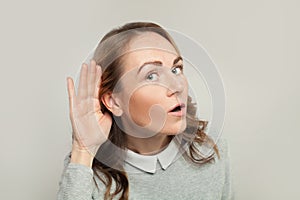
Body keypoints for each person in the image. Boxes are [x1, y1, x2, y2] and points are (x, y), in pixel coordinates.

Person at [57, 22, 233, 200]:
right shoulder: (85, 171)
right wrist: (83, 151)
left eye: (176, 69)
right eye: (151, 76)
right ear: (114, 101)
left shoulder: (210, 151)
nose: (178, 86)